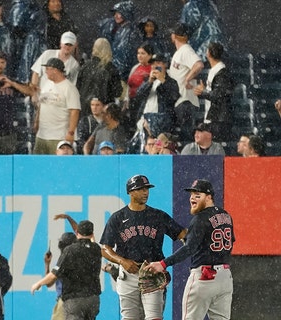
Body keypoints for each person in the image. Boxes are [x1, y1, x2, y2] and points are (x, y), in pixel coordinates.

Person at [144, 179, 234, 320]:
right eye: (191, 194)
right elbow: (230, 242)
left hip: (204, 277)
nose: (192, 198)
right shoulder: (226, 216)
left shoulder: (200, 218)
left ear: (209, 197)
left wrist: (163, 264)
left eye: (198, 195)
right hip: (225, 277)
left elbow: (189, 249)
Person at [100, 174, 187, 320]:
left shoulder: (158, 216)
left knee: (154, 317)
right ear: (130, 192)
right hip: (128, 274)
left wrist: (196, 234)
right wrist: (122, 261)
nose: (145, 192)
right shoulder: (118, 218)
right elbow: (104, 248)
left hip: (152, 272)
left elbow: (182, 234)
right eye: (141, 189)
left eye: (147, 189)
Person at [31, 220, 102, 320]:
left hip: (75, 300)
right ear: (92, 233)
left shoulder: (70, 251)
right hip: (93, 299)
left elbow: (53, 276)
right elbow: (91, 241)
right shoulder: (96, 249)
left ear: (77, 233)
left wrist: (38, 283)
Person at [129, 53, 180, 153]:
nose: (155, 66)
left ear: (165, 64)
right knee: (142, 150)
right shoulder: (147, 80)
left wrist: (162, 80)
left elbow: (173, 97)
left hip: (161, 124)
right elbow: (138, 95)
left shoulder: (171, 82)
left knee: (157, 150)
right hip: (144, 121)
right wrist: (149, 82)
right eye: (153, 64)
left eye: (158, 63)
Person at [32, 57, 80, 155]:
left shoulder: (69, 88)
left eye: (47, 69)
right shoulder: (46, 84)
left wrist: (70, 133)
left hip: (59, 136)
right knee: (38, 164)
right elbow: (41, 104)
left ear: (55, 70)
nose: (45, 72)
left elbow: (75, 111)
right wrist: (37, 121)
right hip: (42, 134)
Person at [169, 23, 204, 144]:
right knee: (182, 138)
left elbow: (199, 64)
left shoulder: (186, 50)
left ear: (174, 36)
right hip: (180, 100)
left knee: (187, 137)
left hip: (186, 102)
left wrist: (187, 78)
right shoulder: (180, 52)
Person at [194, 42, 234, 142]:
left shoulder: (221, 72)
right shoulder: (215, 70)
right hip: (214, 117)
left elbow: (219, 95)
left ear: (208, 54)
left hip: (219, 119)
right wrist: (204, 91)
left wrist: (203, 92)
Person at [76, 38, 122, 117]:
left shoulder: (85, 66)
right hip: (103, 109)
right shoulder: (111, 69)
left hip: (84, 108)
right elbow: (117, 92)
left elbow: (78, 87)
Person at [99, 0, 141, 79]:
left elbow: (126, 57)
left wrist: (118, 73)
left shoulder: (131, 33)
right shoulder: (120, 29)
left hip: (121, 76)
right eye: (115, 13)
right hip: (115, 74)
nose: (115, 16)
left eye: (119, 13)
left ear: (126, 13)